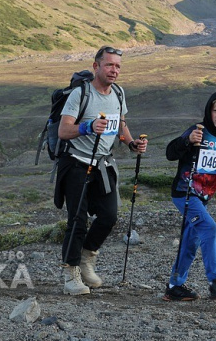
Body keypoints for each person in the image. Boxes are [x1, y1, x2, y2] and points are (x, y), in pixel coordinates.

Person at [54, 46, 147, 295]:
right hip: (75, 163)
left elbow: (121, 124)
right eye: (109, 65)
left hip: (103, 164)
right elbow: (64, 131)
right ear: (96, 66)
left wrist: (131, 143)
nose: (114, 70)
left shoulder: (118, 93)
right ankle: (71, 274)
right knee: (77, 220)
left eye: (117, 66)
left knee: (109, 216)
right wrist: (87, 128)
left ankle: (86, 260)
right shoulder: (80, 94)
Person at [163, 91, 216, 301]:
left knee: (191, 241)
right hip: (185, 192)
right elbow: (170, 153)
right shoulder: (197, 131)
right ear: (209, 112)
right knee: (209, 228)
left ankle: (175, 286)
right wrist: (187, 141)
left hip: (204, 197)